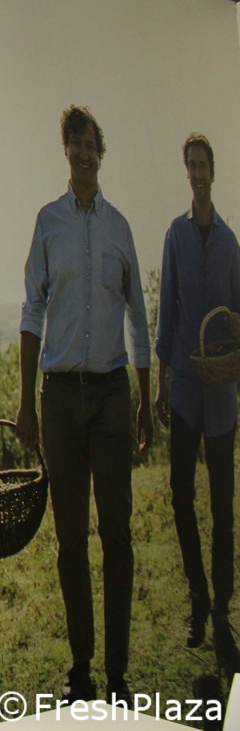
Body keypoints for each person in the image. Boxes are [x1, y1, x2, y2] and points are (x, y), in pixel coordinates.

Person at [17, 105, 152, 705]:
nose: (84, 153)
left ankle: (118, 672)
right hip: (61, 400)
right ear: (66, 152)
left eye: (91, 143)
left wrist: (145, 399)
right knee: (70, 539)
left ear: (101, 152)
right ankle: (82, 669)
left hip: (112, 393)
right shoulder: (48, 222)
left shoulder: (121, 227)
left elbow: (138, 318)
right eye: (75, 143)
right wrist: (26, 403)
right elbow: (31, 311)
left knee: (116, 533)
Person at [154, 132, 240, 673]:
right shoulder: (175, 235)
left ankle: (223, 610)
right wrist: (163, 381)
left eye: (204, 164)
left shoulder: (230, 243)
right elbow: (167, 309)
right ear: (186, 172)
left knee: (223, 505)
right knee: (181, 495)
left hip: (222, 394)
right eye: (191, 165)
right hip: (186, 387)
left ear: (214, 171)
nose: (198, 172)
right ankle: (197, 599)